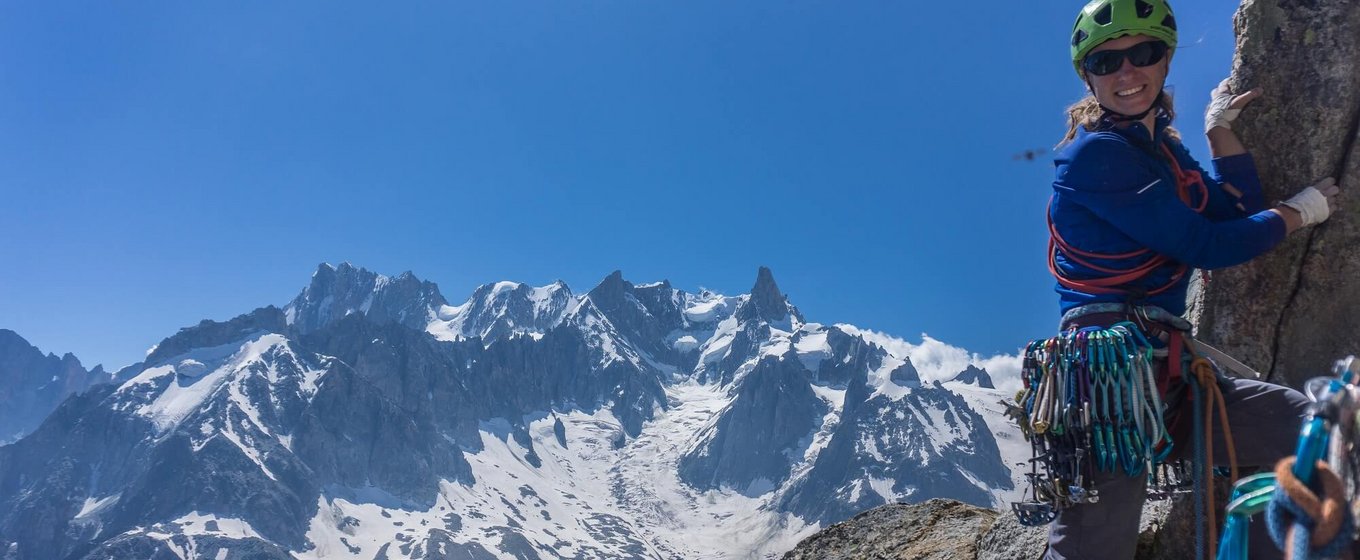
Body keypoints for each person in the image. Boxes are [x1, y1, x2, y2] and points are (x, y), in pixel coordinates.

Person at [1042, 0, 1343, 558]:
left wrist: (1219, 132)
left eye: (1143, 53)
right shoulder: (1095, 157)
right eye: (1107, 63)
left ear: (1165, 60)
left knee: (1306, 429)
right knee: (1092, 548)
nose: (1127, 72)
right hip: (1107, 386)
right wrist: (1300, 213)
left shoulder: (1164, 156)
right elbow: (1205, 244)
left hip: (1166, 377)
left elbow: (1234, 213)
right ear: (1089, 76)